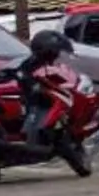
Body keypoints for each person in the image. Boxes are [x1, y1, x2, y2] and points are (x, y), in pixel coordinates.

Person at [18, 30, 90, 175]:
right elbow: (24, 78)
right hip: (37, 103)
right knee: (38, 128)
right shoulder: (30, 65)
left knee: (58, 129)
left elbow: (63, 75)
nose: (57, 54)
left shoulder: (52, 64)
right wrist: (33, 85)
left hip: (51, 100)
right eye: (55, 51)